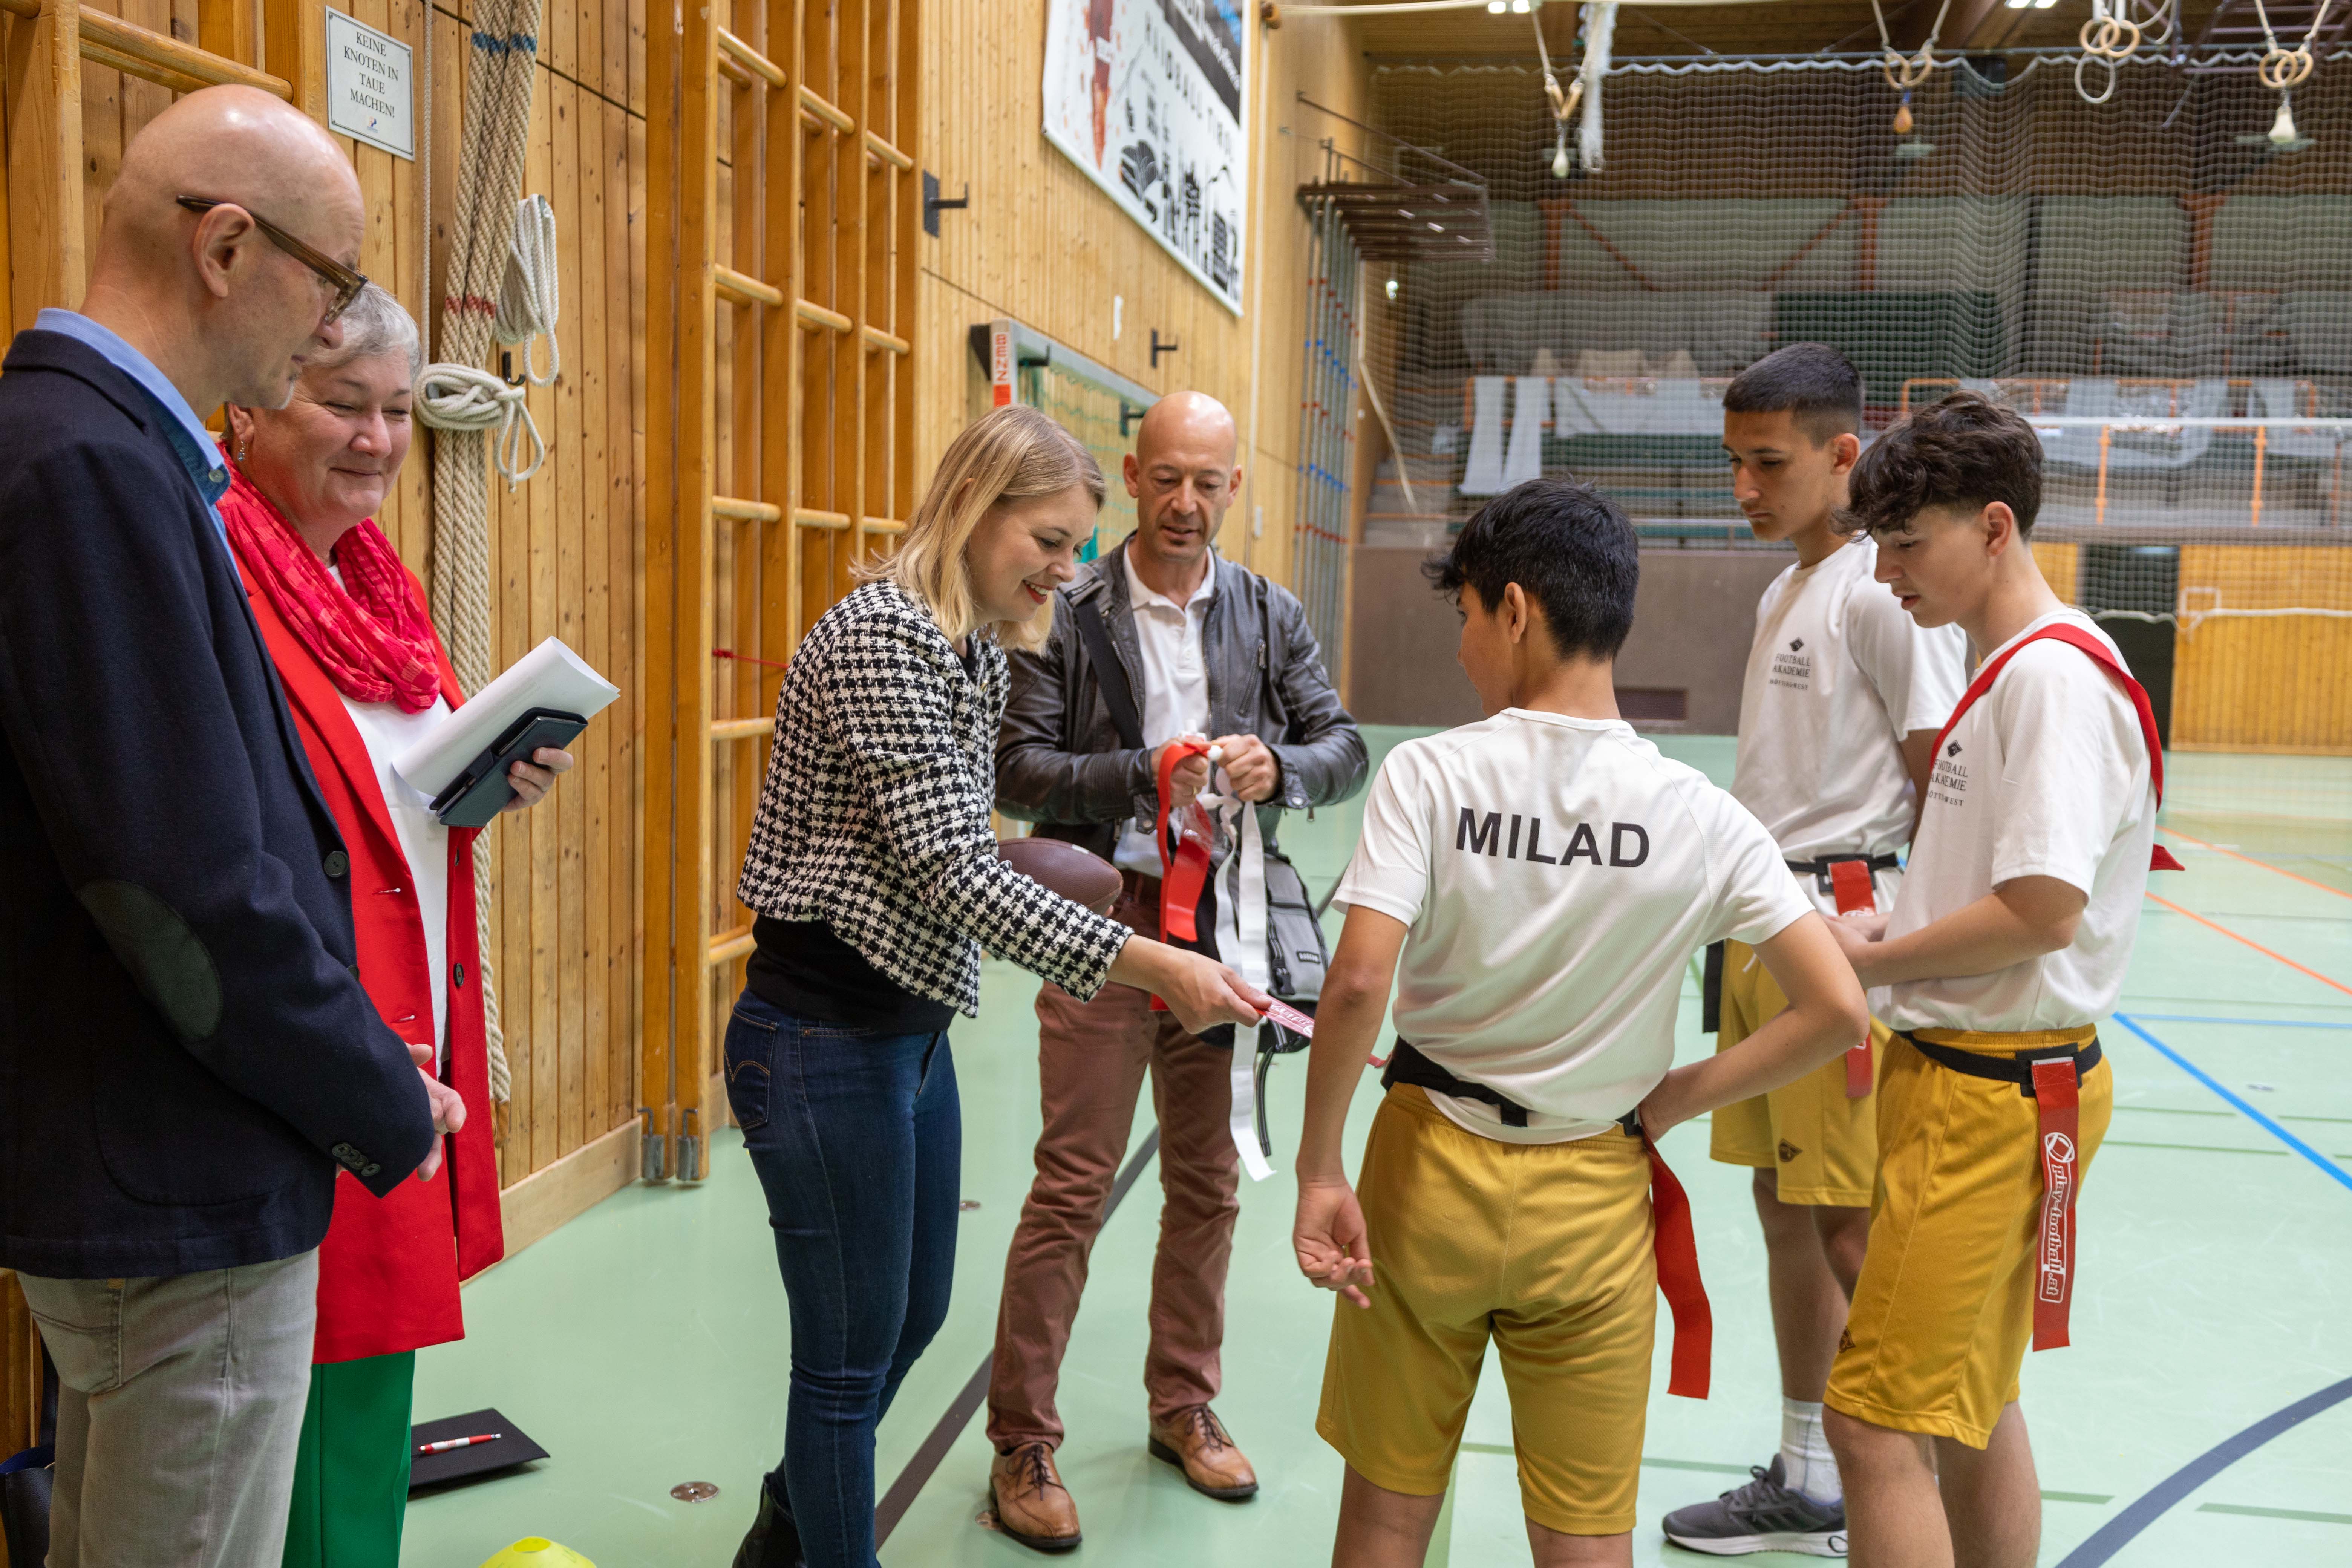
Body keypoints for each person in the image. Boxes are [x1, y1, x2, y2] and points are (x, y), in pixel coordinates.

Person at [0, 87, 457, 1568]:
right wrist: (378, 1091)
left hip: (157, 1153)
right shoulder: (87, 466)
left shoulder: (110, 452)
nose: (330, 329)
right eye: (328, 284)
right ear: (225, 246)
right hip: (174, 1181)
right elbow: (181, 885)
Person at [722, 404, 1269, 1568]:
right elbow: (948, 867)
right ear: (976, 511)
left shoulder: (970, 642)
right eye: (1050, 540)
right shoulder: (887, 638)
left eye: (1079, 547)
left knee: (911, 1318)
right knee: (844, 1359)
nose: (1068, 572)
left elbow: (945, 848)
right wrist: (1153, 961)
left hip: (906, 1034)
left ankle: (784, 1534)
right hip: (822, 1038)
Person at [1292, 479, 1870, 1568]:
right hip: (1598, 1194)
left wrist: (1323, 1169)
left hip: (1426, 1180)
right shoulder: (1704, 815)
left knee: (1385, 1513)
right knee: (1585, 1534)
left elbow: (1359, 980)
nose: (1464, 646)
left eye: (1464, 616)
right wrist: (1685, 1094)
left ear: (1514, 609)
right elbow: (1838, 1009)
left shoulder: (1431, 772)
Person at [217, 282, 571, 1568]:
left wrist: (487, 784)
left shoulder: (371, 586)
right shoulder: (220, 574)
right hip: (301, 1057)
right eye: (343, 405)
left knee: (364, 1402)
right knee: (297, 1418)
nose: (377, 439)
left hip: (405, 1028)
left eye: (398, 413)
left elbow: (389, 802)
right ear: (250, 405)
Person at [984, 390, 1368, 1549]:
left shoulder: (1267, 611)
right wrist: (1146, 772)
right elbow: (1022, 774)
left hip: (1228, 928)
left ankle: (1184, 1406)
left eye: (1211, 482)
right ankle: (1022, 1443)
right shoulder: (1071, 604)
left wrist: (1277, 766)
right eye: (1168, 479)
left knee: (1206, 1182)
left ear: (1234, 488)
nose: (1188, 503)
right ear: (1133, 475)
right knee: (1074, 1181)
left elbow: (1342, 748)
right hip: (1104, 923)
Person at [1820, 394, 2161, 1568]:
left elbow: (2040, 910)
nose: (1888, 574)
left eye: (1910, 546)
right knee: (1965, 1400)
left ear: (1998, 528)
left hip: (1991, 1094)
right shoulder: (2007, 666)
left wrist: (1873, 961)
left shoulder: (2053, 682)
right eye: (1878, 547)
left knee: (1869, 1425)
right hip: (1982, 1077)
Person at [1662, 344, 1965, 1557]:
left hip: (1842, 926)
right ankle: (1810, 1472)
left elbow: (1943, 779)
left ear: (1849, 453)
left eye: (1770, 463)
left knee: (1851, 1224)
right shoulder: (1788, 588)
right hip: (1768, 922)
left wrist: (1901, 946)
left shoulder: (1879, 594)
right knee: (1787, 1204)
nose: (1746, 486)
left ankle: (1900, 1488)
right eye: (1734, 462)